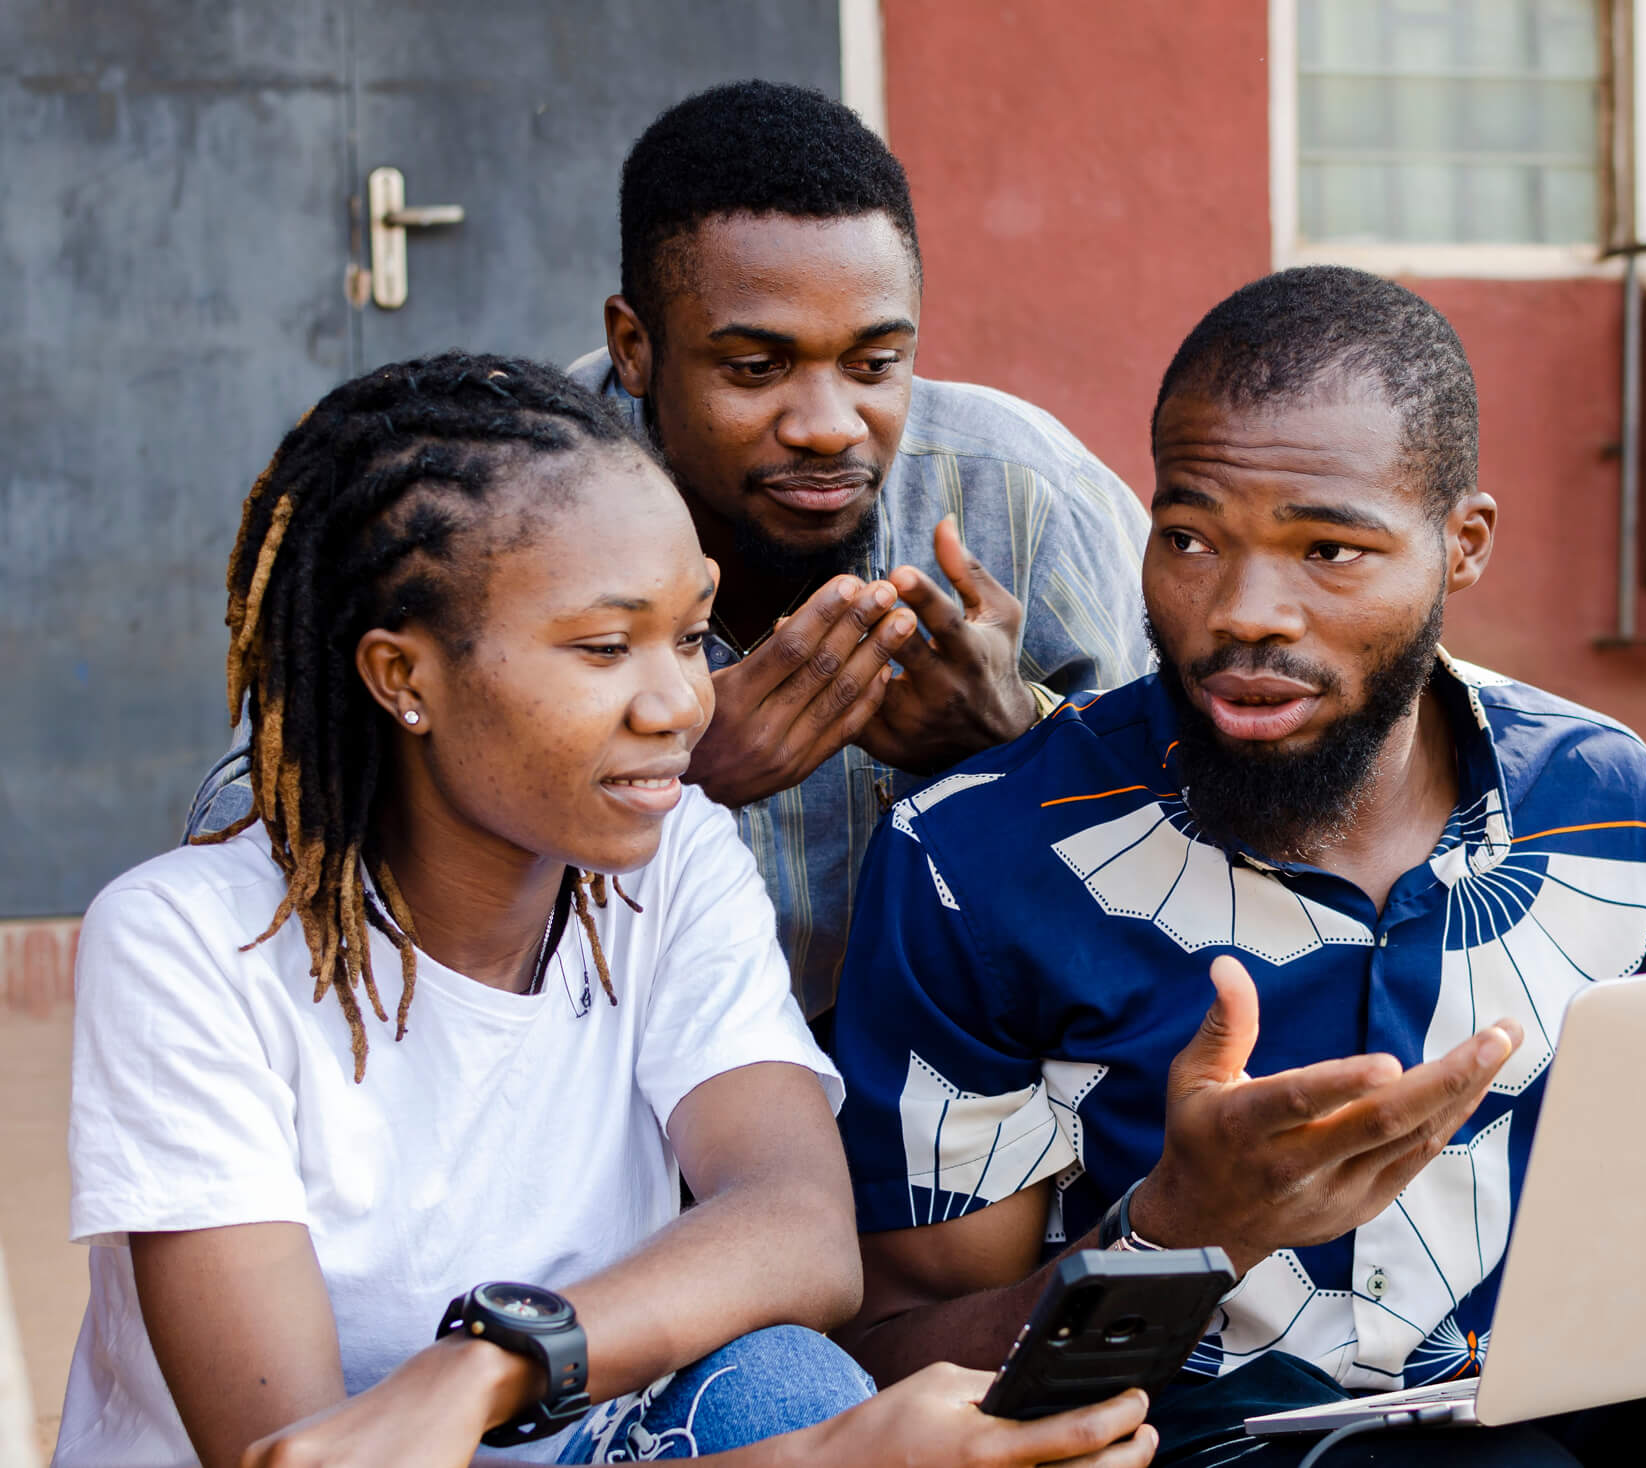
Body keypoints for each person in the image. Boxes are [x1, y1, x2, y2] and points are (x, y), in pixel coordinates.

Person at [56, 355, 1156, 1468]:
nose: (682, 701)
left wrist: (494, 1360)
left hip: (577, 1440)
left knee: (783, 1380)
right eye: (602, 646)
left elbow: (800, 1226)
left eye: (688, 636)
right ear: (405, 676)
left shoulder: (665, 856)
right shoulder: (187, 943)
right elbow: (311, 1457)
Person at [825, 269, 1646, 1466]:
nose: (1245, 612)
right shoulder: (975, 860)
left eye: (1329, 550)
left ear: (1464, 546)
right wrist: (1184, 1234)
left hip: (1560, 1395)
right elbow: (901, 1360)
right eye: (1189, 537)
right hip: (1199, 1440)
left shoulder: (1611, 803)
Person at [190, 81, 1152, 1021]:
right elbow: (246, 832)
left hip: (959, 1084)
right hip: (596, 1084)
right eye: (755, 367)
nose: (828, 425)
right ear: (634, 346)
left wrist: (1021, 737)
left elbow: (1213, 812)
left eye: (874, 364)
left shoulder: (1021, 492)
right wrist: (661, 769)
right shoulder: (492, 504)